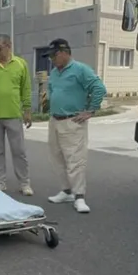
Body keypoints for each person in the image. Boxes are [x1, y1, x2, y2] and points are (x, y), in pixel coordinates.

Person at [41, 38, 107, 214]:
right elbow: (53, 91)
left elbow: (99, 88)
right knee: (57, 158)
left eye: (53, 56)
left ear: (62, 53)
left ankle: (79, 196)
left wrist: (91, 111)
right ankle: (66, 191)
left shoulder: (80, 70)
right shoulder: (55, 72)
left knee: (75, 160)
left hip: (73, 121)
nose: (51, 60)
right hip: (55, 120)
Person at [0, 34, 34, 196]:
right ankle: (0, 181)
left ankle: (24, 183)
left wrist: (27, 110)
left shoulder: (20, 64)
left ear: (8, 46)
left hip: (13, 114)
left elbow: (26, 89)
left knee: (19, 150)